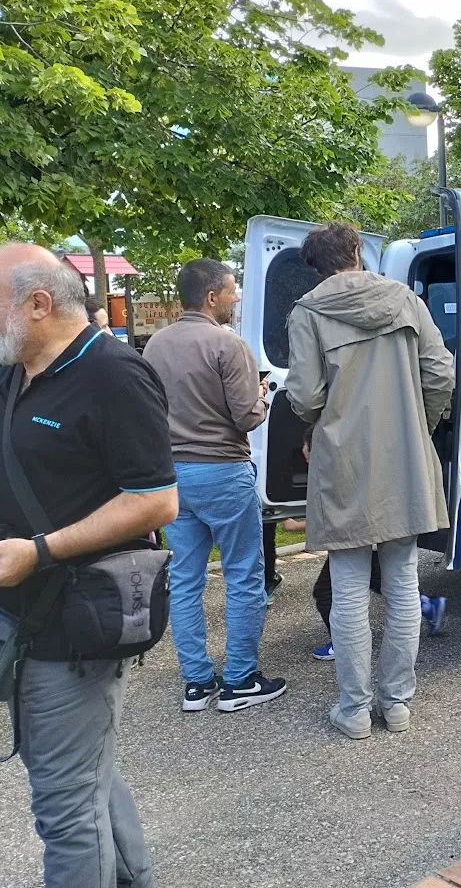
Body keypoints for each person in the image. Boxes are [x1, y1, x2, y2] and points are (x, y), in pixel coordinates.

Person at [0, 243, 177, 888]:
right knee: (85, 772)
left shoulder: (114, 374)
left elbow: (157, 500)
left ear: (39, 304)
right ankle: (135, 876)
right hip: (16, 615)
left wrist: (41, 551)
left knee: (64, 807)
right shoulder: (18, 366)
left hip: (71, 625)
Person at [286, 222, 454, 739]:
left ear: (315, 267)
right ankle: (397, 702)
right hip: (404, 457)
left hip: (343, 461)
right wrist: (418, 426)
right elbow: (441, 372)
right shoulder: (405, 299)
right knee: (404, 582)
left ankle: (355, 710)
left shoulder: (308, 312)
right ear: (357, 251)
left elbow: (306, 395)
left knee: (350, 587)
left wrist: (317, 425)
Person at [143, 259, 282, 712]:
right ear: (211, 297)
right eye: (231, 290)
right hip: (222, 470)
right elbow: (246, 416)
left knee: (185, 580)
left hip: (172, 477)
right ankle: (240, 679)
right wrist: (264, 394)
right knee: (244, 574)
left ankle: (197, 684)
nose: (236, 297)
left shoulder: (155, 346)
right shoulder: (229, 344)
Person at [285, 426, 448, 661]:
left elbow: (334, 516)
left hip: (356, 538)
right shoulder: (346, 464)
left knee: (326, 591)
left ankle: (342, 644)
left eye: (305, 446)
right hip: (372, 534)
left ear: (316, 447)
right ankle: (429, 605)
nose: (302, 451)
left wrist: (297, 526)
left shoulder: (331, 474)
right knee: (380, 577)